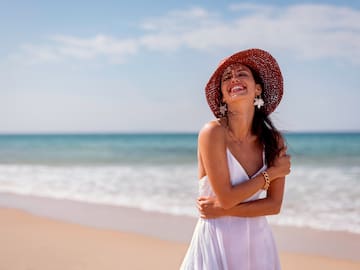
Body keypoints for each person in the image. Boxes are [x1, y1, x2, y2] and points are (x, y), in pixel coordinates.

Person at [180, 48, 291, 270]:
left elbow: (273, 205)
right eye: (227, 78)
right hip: (216, 242)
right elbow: (228, 197)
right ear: (222, 94)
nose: (234, 79)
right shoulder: (212, 133)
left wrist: (221, 210)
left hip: (258, 245)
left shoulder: (273, 140)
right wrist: (271, 174)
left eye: (242, 74)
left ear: (257, 88)